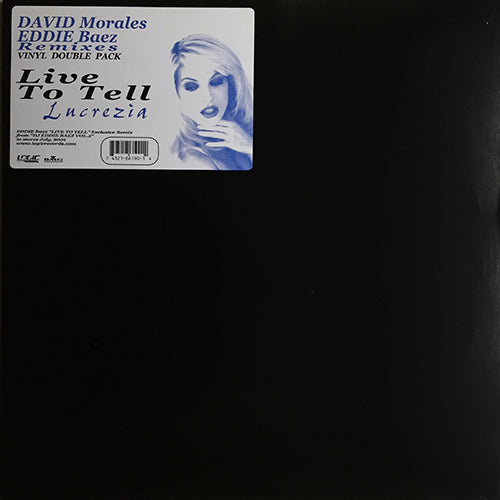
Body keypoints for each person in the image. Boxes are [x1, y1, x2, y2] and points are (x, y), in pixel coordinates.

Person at [171, 34, 253, 170]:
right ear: (175, 91)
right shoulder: (191, 157)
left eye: (216, 81)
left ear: (231, 84)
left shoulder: (241, 129)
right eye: (191, 87)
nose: (208, 97)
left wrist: (248, 146)